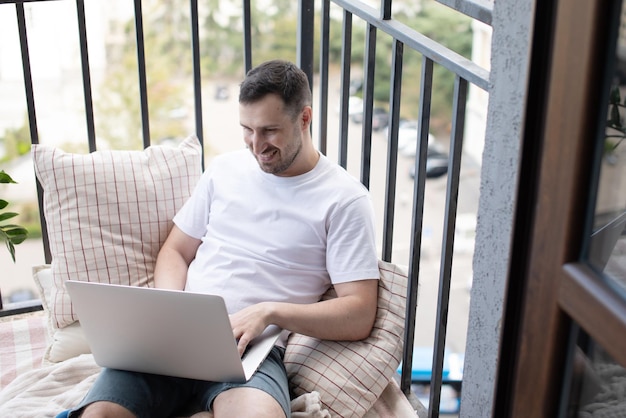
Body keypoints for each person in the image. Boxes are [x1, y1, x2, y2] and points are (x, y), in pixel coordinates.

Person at [61, 59, 380, 418]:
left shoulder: (343, 199)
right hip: (176, 339)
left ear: (304, 118)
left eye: (269, 130)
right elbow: (176, 251)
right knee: (99, 415)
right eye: (247, 129)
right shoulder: (225, 170)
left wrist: (268, 312)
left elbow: (359, 313)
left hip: (251, 352)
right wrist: (170, 307)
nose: (257, 145)